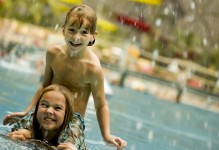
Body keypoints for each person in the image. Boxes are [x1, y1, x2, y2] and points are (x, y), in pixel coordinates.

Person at [3, 4, 127, 150]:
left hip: (73, 120)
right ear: (63, 30)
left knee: (68, 148)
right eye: (72, 30)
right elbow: (44, 86)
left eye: (83, 32)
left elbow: (101, 105)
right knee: (17, 135)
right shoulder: (53, 54)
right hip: (47, 110)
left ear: (93, 36)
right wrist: (28, 111)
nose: (76, 37)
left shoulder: (93, 69)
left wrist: (106, 136)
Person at [8, 84, 84, 150]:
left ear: (66, 114)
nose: (49, 111)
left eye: (57, 108)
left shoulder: (72, 130)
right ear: (37, 108)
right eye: (44, 105)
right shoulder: (28, 123)